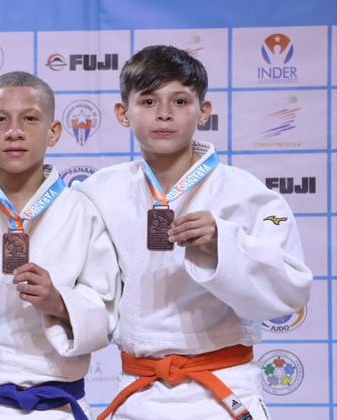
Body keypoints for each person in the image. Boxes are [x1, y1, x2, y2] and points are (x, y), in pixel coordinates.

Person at [73, 45, 312, 420]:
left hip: (223, 389)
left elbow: (289, 292)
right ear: (122, 113)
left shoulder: (248, 194)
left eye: (180, 101)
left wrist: (222, 244)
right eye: (148, 101)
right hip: (138, 389)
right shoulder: (98, 192)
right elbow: (87, 288)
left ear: (204, 111)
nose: (164, 113)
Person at [0, 71, 120, 420]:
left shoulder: (81, 210)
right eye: (0, 120)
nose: (15, 131)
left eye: (30, 119)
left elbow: (105, 311)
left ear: (53, 132)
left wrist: (58, 302)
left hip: (58, 404)